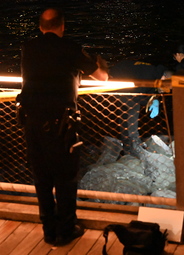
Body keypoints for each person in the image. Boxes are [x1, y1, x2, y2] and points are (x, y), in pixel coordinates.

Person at [18, 8, 108, 246]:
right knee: (66, 179)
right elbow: (102, 77)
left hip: (32, 122)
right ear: (62, 26)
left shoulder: (28, 48)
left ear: (40, 27)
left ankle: (49, 231)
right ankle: (66, 230)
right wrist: (100, 62)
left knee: (42, 179)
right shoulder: (70, 48)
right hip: (61, 125)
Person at [109, 59, 169, 154]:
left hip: (126, 82)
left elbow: (148, 91)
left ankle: (127, 146)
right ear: (164, 78)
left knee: (125, 115)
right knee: (132, 108)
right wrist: (150, 102)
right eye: (167, 86)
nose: (166, 90)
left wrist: (155, 99)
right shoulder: (149, 75)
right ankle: (135, 145)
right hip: (117, 80)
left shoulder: (155, 74)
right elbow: (137, 95)